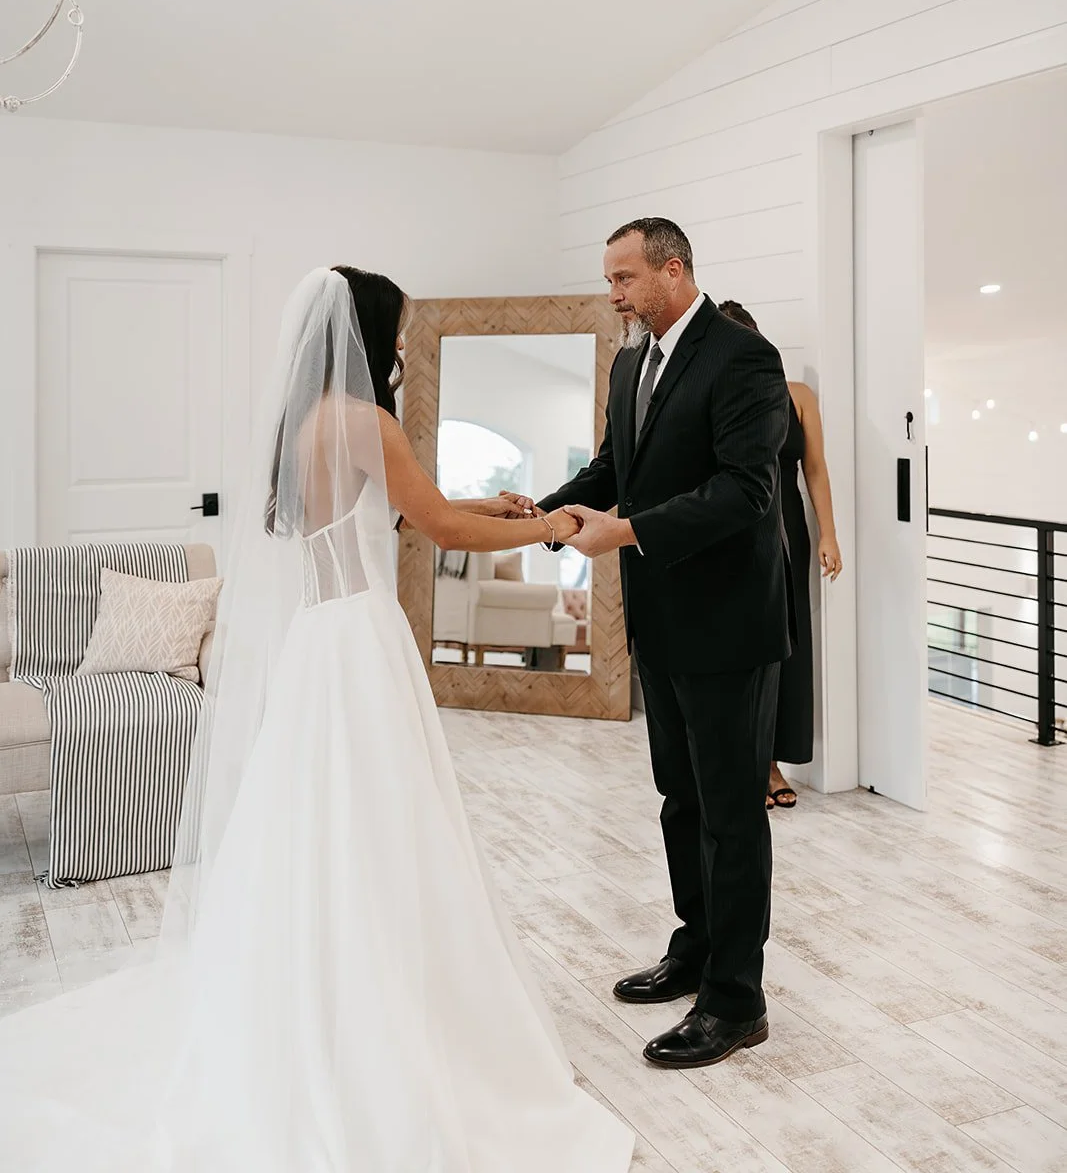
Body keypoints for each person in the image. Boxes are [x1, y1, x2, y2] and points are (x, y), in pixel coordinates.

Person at [0, 266, 634, 1173]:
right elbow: (441, 535)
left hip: (316, 639)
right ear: (368, 334)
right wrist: (552, 528)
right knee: (382, 822)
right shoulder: (367, 419)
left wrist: (489, 504)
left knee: (316, 824)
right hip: (359, 641)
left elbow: (409, 513)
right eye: (400, 333)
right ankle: (377, 1009)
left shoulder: (303, 424)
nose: (406, 348)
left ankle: (318, 984)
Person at [520, 218, 792, 1071]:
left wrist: (629, 532)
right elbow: (614, 468)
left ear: (674, 271)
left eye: (625, 278)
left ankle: (736, 1001)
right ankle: (695, 947)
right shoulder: (631, 361)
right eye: (611, 279)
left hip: (729, 625)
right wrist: (544, 511)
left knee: (731, 815)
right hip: (662, 623)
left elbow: (745, 491)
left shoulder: (745, 357)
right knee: (680, 798)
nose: (615, 294)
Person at [717, 300, 842, 808]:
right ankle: (736, 764)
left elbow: (814, 469)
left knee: (786, 647)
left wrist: (829, 534)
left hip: (789, 532)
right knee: (736, 652)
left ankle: (770, 766)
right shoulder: (717, 400)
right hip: (730, 535)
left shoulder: (798, 397)